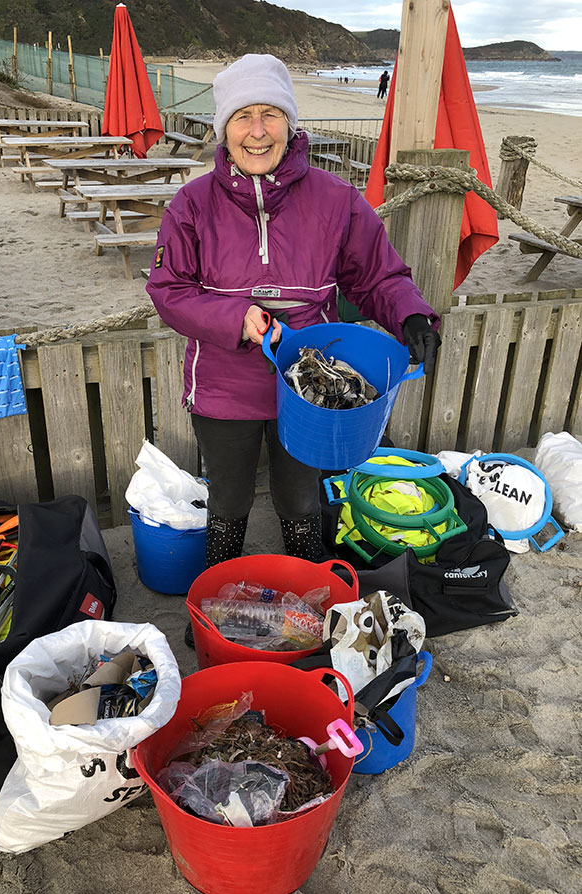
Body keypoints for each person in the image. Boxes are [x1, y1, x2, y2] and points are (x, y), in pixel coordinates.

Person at [146, 54, 439, 635]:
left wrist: (410, 314)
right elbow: (168, 290)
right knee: (228, 501)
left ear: (291, 124)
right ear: (223, 128)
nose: (257, 130)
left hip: (308, 390)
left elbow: (376, 275)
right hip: (223, 386)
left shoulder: (336, 200)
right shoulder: (192, 204)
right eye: (243, 116)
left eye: (271, 115)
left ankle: (311, 601)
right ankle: (217, 611)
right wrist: (235, 316)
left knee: (300, 500)